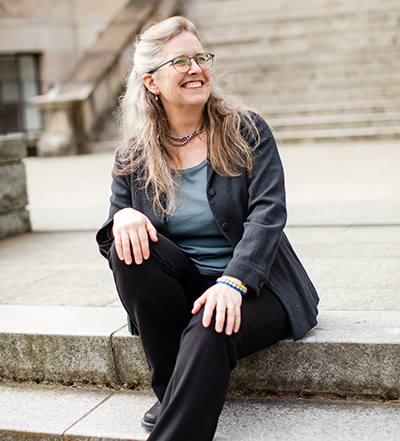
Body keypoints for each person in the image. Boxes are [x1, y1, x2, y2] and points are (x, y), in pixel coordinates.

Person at [96, 15, 319, 441]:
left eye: (200, 57)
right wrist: (120, 217)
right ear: (151, 83)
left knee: (210, 323)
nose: (196, 69)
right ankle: (173, 389)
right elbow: (115, 242)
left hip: (259, 288)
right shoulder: (133, 156)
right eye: (180, 62)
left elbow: (268, 215)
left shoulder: (246, 130)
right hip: (183, 289)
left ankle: (174, 410)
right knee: (129, 248)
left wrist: (234, 282)